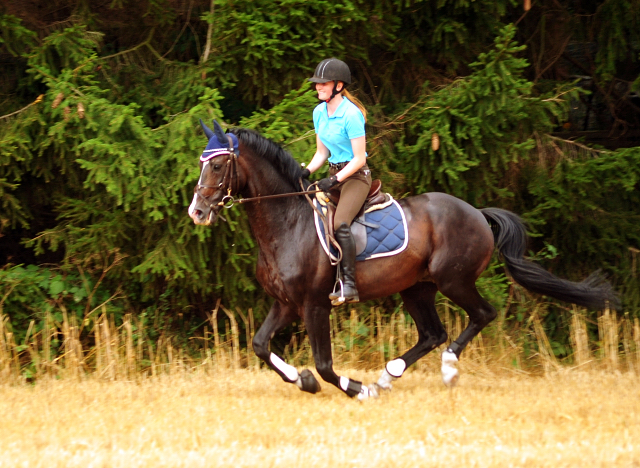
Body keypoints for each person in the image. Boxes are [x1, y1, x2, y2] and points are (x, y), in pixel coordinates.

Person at [302, 58, 372, 304]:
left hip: (355, 177)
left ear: (339, 86)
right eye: (317, 84)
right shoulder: (318, 112)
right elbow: (322, 153)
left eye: (323, 83)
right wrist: (306, 171)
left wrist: (334, 180)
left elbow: (359, 159)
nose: (318, 87)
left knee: (341, 222)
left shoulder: (351, 115)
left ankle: (349, 285)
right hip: (333, 175)